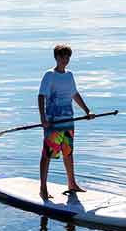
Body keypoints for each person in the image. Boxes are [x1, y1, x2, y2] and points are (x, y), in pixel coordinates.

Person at [38, 44, 94, 200]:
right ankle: (43, 188)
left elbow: (74, 94)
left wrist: (87, 111)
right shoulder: (49, 75)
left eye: (67, 56)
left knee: (68, 153)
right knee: (48, 154)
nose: (65, 59)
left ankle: (72, 184)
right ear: (56, 58)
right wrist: (43, 118)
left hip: (68, 121)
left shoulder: (69, 75)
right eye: (62, 56)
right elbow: (41, 96)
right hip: (53, 123)